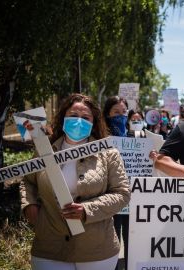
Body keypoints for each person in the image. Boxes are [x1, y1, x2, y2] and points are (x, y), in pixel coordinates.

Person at [20, 93, 130, 269]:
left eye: (86, 117)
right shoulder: (44, 150)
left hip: (97, 250)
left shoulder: (109, 153)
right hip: (49, 247)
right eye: (73, 116)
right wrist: (29, 205)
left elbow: (122, 194)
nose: (79, 121)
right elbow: (28, 181)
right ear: (63, 118)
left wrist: (86, 210)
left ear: (93, 122)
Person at [103, 96, 129, 270]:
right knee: (111, 238)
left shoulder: (136, 136)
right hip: (108, 195)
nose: (121, 116)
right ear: (107, 114)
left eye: (124, 112)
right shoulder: (100, 138)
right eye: (116, 112)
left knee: (131, 236)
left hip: (131, 197)